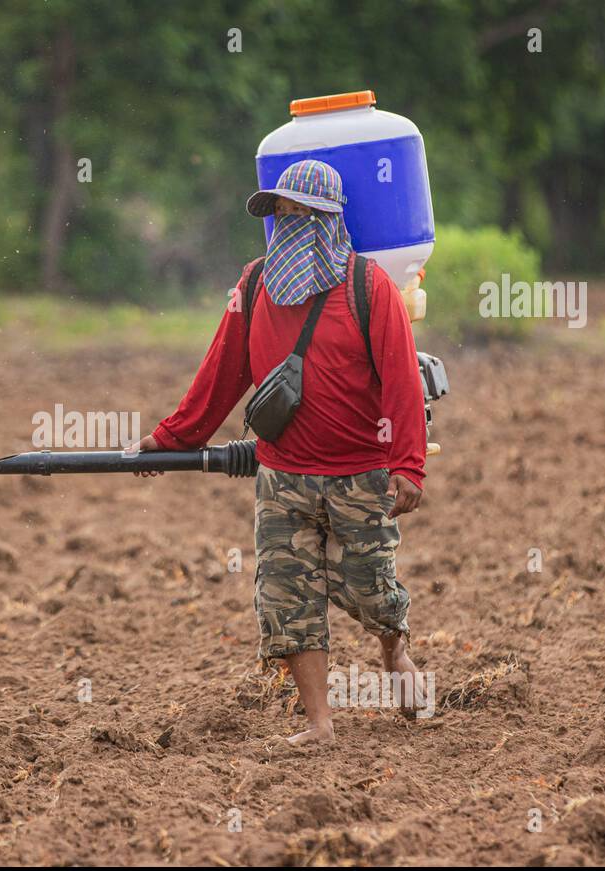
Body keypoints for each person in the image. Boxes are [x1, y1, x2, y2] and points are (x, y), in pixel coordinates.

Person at [127, 159, 427, 744]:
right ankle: (320, 724)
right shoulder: (254, 285)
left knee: (370, 586)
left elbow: (401, 383)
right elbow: (222, 373)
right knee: (287, 598)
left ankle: (395, 652)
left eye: (299, 213)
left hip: (358, 473)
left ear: (327, 219)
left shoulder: (370, 288)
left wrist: (408, 464)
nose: (287, 223)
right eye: (279, 213)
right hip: (281, 475)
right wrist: (169, 440)